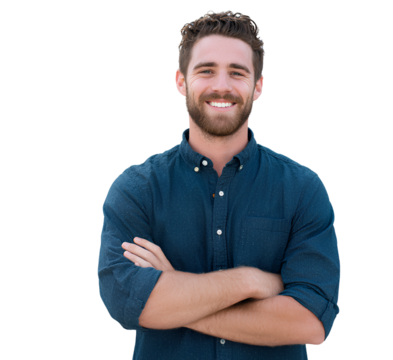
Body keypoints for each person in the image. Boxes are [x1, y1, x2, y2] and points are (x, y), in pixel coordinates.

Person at [97, 8, 340, 359]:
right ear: (181, 81)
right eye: (206, 71)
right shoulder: (136, 189)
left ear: (258, 86)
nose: (221, 86)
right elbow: (126, 305)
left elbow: (310, 323)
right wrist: (251, 282)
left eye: (237, 73)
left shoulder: (303, 188)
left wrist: (176, 297)